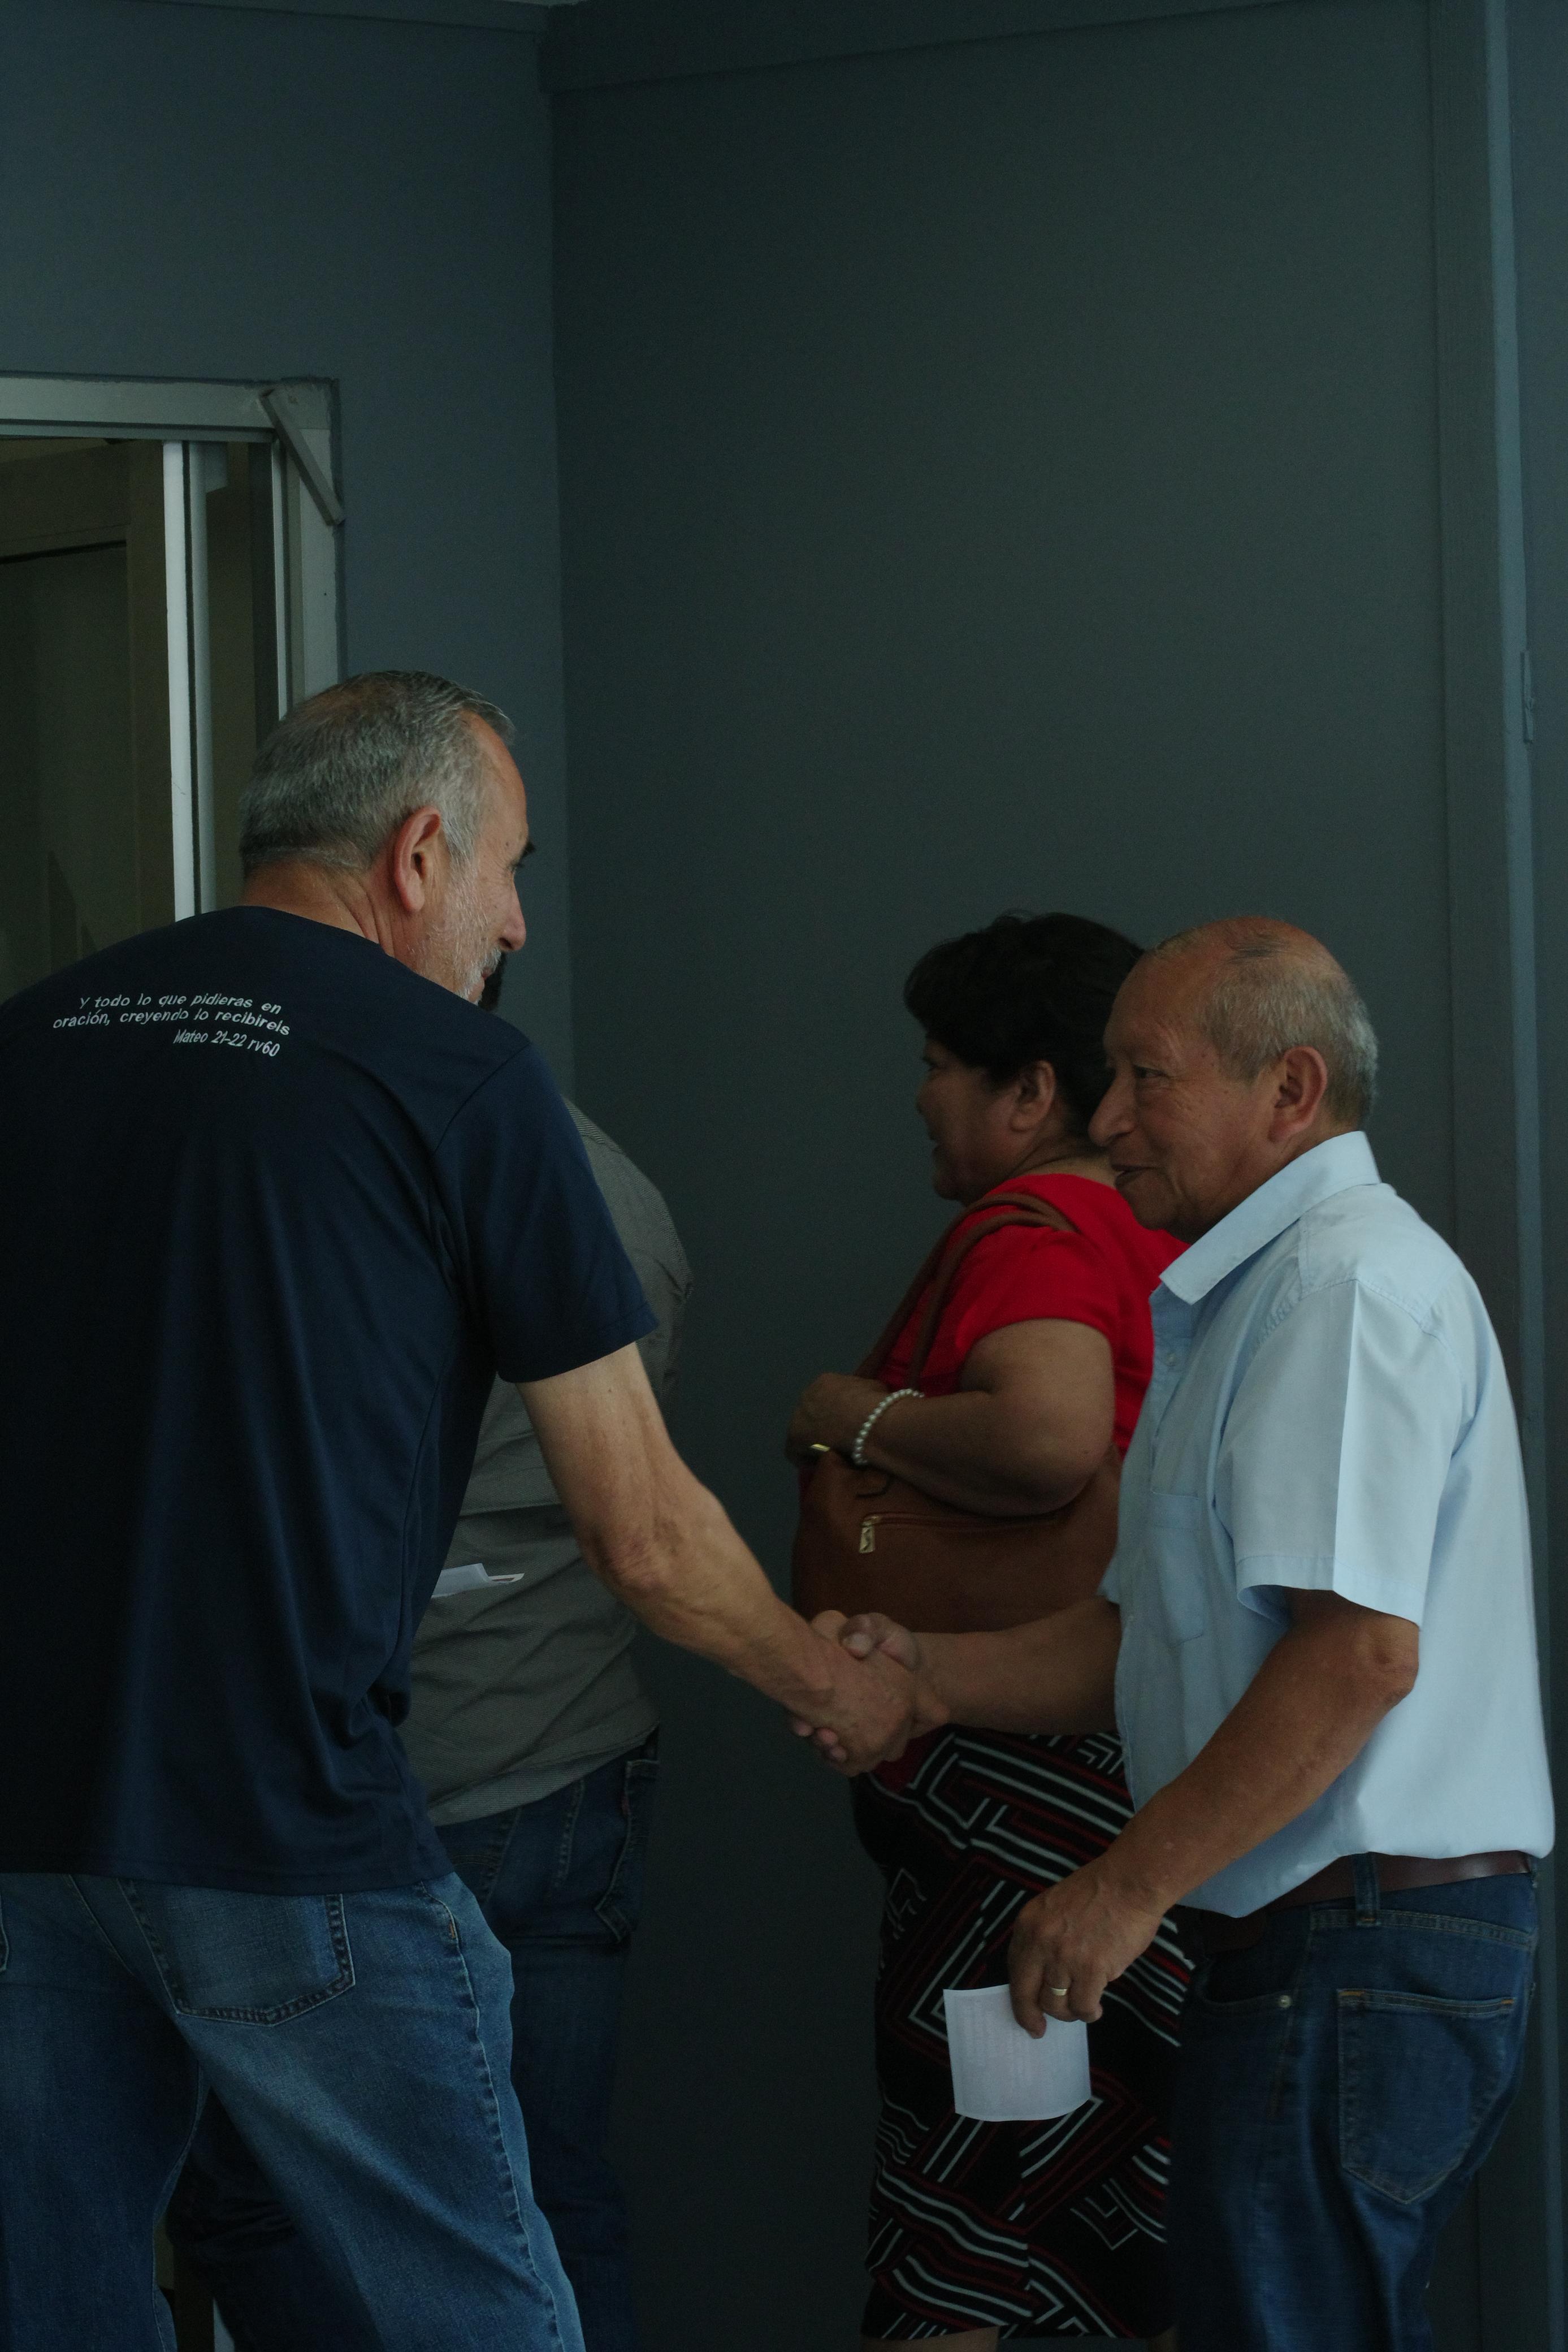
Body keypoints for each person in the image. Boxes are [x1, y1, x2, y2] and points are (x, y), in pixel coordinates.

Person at [0, 670, 909, 2352]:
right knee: (479, 2312)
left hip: (25, 1824)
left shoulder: (35, 1038)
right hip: (281, 1825)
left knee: (53, 2309)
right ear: (420, 853)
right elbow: (640, 1530)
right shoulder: (460, 1078)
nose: (508, 923)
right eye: (510, 870)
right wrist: (830, 1682)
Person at [810, 918, 1554, 2352]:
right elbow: (1147, 1641)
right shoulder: (1260, 1290)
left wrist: (1118, 1889)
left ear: (1288, 1090)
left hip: (1351, 1943)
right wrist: (924, 1682)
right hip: (1327, 1947)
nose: (1104, 1121)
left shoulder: (1338, 1288)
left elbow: (1355, 1655)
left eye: (1145, 1078)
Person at [166, 990, 687, 2352]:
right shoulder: (611, 1182)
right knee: (547, 2191)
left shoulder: (346, 1178)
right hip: (575, 1762)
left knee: (262, 2194)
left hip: (376, 1787)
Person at [786, 913, 1188, 2350]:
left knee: (978, 2204)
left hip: (1016, 1803)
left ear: (1032, 1090)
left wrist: (850, 1411)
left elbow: (1047, 1434)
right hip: (1104, 1773)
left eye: (942, 1062)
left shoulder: (1033, 1228)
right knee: (1090, 2200)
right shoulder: (1153, 1230)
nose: (918, 1094)